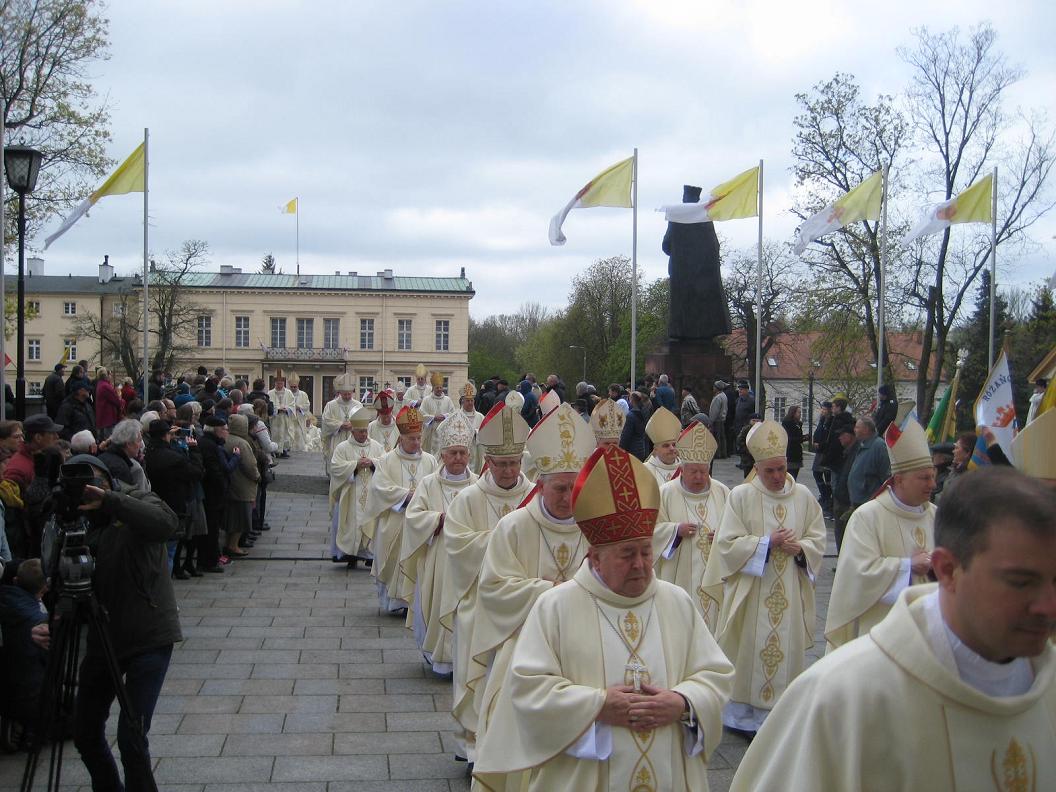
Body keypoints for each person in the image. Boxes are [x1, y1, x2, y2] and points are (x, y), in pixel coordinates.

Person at [730, 467, 1056, 790]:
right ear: (947, 570)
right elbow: (855, 573)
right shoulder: (843, 698)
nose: (1049, 607)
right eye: (1021, 582)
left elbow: (814, 540)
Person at [473, 445, 735, 792]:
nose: (641, 564)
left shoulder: (677, 603)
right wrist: (596, 706)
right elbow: (528, 689)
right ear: (595, 557)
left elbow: (714, 675)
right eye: (627, 554)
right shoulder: (556, 607)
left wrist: (683, 702)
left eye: (645, 551)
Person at [470, 403, 599, 767]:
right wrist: (546, 591)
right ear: (540, 484)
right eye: (559, 488)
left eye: (575, 489)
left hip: (585, 644)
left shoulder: (595, 526)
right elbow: (493, 588)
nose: (567, 497)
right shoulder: (515, 527)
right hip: (525, 645)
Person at [66, 454, 182, 792]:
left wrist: (112, 502)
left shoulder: (135, 498)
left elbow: (165, 523)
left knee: (131, 735)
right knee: (84, 731)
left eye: (90, 480)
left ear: (106, 479)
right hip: (103, 637)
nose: (85, 489)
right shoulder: (75, 517)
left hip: (148, 632)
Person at [704, 419, 826, 737]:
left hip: (789, 591)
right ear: (756, 468)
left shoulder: (803, 497)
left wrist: (801, 548)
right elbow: (726, 546)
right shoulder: (742, 497)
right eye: (769, 470)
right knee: (747, 651)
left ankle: (781, 712)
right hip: (752, 592)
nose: (776, 477)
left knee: (784, 651)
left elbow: (818, 538)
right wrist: (765, 544)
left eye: (781, 468)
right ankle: (742, 717)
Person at [440, 403, 533, 762]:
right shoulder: (469, 499)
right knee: (480, 676)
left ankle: (519, 747)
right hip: (480, 603)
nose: (509, 471)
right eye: (502, 463)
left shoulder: (535, 498)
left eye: (513, 463)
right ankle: (476, 748)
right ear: (489, 463)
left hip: (524, 605)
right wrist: (500, 538)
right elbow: (458, 546)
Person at [825, 419, 936, 651]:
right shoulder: (868, 516)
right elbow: (856, 574)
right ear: (899, 479)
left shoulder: (937, 516)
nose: (933, 484)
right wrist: (907, 566)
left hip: (930, 633)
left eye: (933, 476)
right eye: (924, 478)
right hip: (879, 634)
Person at [400, 412, 478, 675]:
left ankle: (464, 659)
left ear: (469, 454)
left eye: (462, 453)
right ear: (442, 454)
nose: (458, 458)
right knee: (437, 606)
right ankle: (440, 659)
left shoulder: (478, 484)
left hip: (470, 563)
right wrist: (438, 520)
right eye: (453, 453)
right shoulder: (428, 483)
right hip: (438, 558)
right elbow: (414, 516)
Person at [655, 421, 730, 631]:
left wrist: (723, 536)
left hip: (716, 581)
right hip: (679, 580)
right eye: (693, 471)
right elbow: (649, 533)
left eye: (703, 471)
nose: (699, 477)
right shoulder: (665, 494)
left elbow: (737, 533)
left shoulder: (723, 492)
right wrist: (674, 531)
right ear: (682, 469)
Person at [364, 407, 439, 614]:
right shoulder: (387, 460)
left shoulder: (430, 461)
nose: (416, 443)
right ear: (402, 437)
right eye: (412, 438)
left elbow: (437, 487)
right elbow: (379, 488)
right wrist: (406, 495)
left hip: (421, 525)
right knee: (394, 562)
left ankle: (414, 603)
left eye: (418, 438)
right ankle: (396, 602)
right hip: (395, 521)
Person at [143, 419, 204, 579]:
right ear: (165, 435)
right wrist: (194, 450)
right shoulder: (174, 458)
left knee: (158, 551)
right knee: (169, 550)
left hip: (153, 503)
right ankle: (164, 590)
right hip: (173, 505)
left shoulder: (148, 452)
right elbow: (196, 472)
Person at [328, 407, 384, 565]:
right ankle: (350, 555)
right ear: (352, 432)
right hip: (350, 493)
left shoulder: (376, 446)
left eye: (366, 431)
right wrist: (355, 465)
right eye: (360, 432)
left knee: (371, 523)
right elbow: (336, 467)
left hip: (372, 494)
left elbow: (386, 464)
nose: (364, 435)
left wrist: (372, 462)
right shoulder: (343, 447)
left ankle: (369, 556)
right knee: (351, 524)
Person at [198, 415, 237, 572]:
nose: (227, 433)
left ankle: (208, 559)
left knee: (211, 528)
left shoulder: (208, 443)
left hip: (211, 493)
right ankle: (209, 561)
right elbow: (217, 471)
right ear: (218, 431)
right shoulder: (211, 446)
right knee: (212, 528)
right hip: (213, 494)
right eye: (226, 430)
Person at [221, 413, 258, 558]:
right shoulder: (242, 443)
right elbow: (249, 465)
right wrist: (257, 476)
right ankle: (233, 545)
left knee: (231, 517)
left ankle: (229, 543)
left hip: (231, 484)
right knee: (241, 517)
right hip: (242, 485)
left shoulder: (226, 439)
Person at [4, 414, 61, 497]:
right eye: (52, 433)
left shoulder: (44, 457)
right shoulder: (16, 470)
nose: (57, 436)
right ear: (38, 437)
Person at [320, 373, 362, 476]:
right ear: (340, 392)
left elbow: (362, 420)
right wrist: (340, 425)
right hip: (337, 438)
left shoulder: (358, 405)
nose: (347, 396)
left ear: (352, 392)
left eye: (349, 394)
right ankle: (334, 477)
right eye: (344, 394)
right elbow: (326, 420)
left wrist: (353, 425)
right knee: (336, 457)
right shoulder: (331, 405)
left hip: (353, 437)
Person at [847, 416, 891, 510]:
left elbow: (886, 475)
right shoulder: (862, 445)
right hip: (858, 499)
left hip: (869, 501)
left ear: (866, 429)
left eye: (857, 427)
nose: (854, 430)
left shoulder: (879, 446)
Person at [830, 425, 859, 553]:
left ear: (850, 436)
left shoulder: (857, 451)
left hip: (848, 500)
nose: (839, 438)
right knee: (840, 531)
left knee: (845, 533)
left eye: (842, 435)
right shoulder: (847, 451)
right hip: (841, 497)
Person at [642, 406, 681, 485]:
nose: (672, 448)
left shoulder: (687, 469)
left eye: (674, 444)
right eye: (666, 445)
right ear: (655, 449)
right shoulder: (644, 470)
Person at [420, 371, 456, 454]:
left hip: (444, 433)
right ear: (433, 388)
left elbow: (453, 414)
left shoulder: (448, 400)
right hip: (430, 432)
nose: (439, 389)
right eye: (437, 388)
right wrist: (433, 418)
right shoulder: (426, 400)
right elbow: (421, 414)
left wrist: (445, 416)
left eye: (441, 387)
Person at [811, 400, 833, 514]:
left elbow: (829, 437)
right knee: (816, 473)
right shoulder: (822, 420)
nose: (822, 411)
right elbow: (818, 432)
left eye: (824, 409)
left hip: (826, 451)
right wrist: (815, 441)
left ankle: (827, 497)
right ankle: (825, 495)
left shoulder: (831, 421)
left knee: (827, 475)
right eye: (822, 409)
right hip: (820, 451)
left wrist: (821, 444)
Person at [268, 370, 296, 458]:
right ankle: (276, 451)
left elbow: (292, 405)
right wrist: (277, 409)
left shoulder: (289, 393)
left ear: (283, 383)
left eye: (281, 383)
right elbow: (269, 406)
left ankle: (284, 450)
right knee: (275, 434)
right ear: (275, 383)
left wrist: (287, 409)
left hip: (285, 418)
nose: (279, 385)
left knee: (285, 434)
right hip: (275, 419)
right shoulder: (270, 393)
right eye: (277, 383)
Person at [618, 391, 649, 460]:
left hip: (632, 450)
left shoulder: (630, 416)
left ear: (631, 400)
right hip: (642, 448)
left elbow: (626, 436)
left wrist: (620, 449)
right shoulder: (644, 412)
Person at [287, 373, 311, 452]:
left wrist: (299, 407)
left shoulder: (303, 394)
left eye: (295, 387)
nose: (293, 388)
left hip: (299, 420)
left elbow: (307, 405)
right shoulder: (287, 394)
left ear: (298, 386)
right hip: (289, 419)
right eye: (292, 387)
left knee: (299, 436)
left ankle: (300, 451)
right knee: (290, 435)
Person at [781, 404, 804, 480]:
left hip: (797, 453)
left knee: (794, 476)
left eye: (800, 412)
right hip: (790, 453)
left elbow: (799, 437)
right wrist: (801, 438)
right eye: (798, 412)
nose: (800, 414)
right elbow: (789, 438)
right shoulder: (787, 423)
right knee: (790, 476)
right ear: (793, 413)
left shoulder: (798, 424)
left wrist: (803, 438)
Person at [708, 380, 729, 458]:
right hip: (722, 419)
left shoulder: (717, 398)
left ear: (717, 388)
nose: (713, 388)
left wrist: (710, 421)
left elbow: (714, 411)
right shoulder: (724, 396)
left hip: (717, 420)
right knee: (722, 437)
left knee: (717, 438)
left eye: (714, 387)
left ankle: (718, 454)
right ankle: (723, 453)